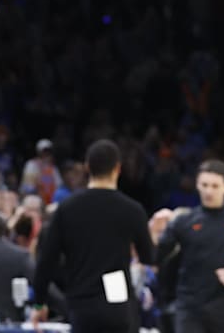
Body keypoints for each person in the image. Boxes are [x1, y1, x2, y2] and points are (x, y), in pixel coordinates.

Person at [31, 139, 154, 333]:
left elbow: (46, 262)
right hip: (119, 307)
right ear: (117, 169)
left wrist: (39, 303)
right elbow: (148, 257)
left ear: (87, 167)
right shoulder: (133, 210)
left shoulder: (67, 209)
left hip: (83, 307)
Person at [157, 159, 224, 333]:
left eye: (215, 186)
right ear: (197, 185)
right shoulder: (183, 221)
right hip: (189, 307)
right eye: (204, 185)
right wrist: (153, 230)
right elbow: (157, 256)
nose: (208, 191)